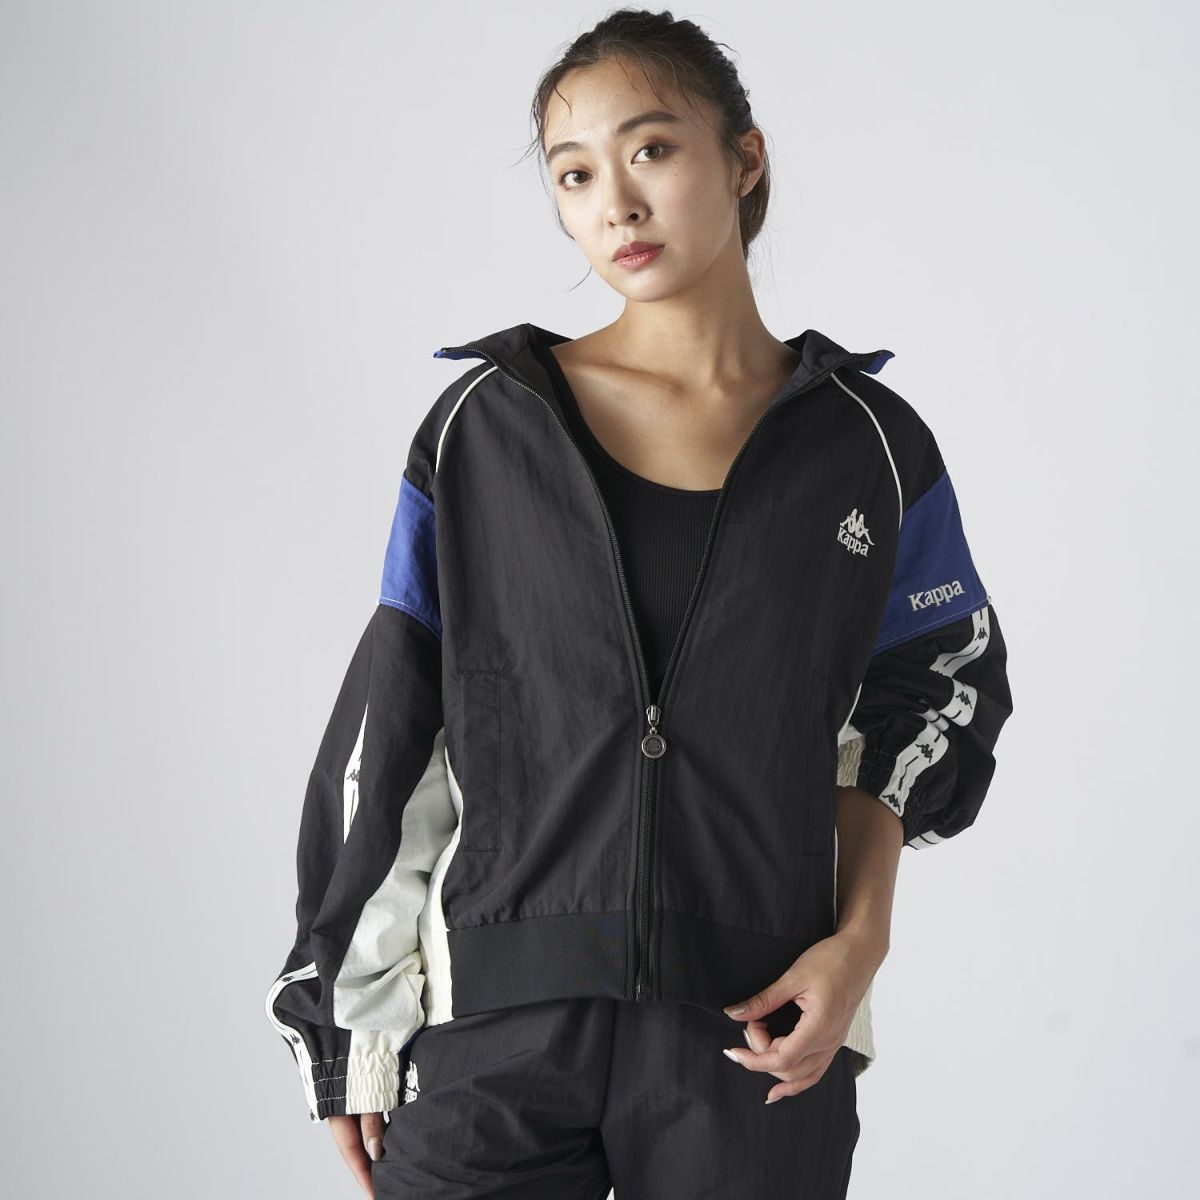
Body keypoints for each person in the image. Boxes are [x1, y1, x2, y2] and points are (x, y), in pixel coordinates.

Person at [264, 8, 1014, 1199]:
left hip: (760, 1030)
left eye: (651, 150)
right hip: (494, 1029)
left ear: (744, 159)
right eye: (575, 174)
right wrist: (350, 1022)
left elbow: (935, 695)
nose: (615, 204)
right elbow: (393, 728)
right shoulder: (487, 430)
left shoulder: (868, 447)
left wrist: (858, 944)